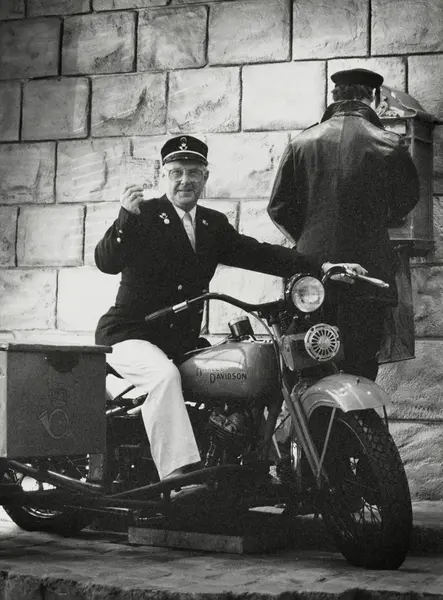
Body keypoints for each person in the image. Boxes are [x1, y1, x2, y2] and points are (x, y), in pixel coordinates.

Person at [95, 134, 366, 483]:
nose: (185, 180)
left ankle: (243, 464)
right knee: (164, 377)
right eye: (176, 172)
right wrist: (124, 219)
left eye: (194, 172)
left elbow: (260, 254)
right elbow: (106, 262)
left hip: (180, 344)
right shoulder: (142, 215)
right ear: (162, 176)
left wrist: (322, 266)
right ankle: (179, 475)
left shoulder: (211, 224)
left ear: (205, 177)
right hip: (130, 334)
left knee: (243, 376)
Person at [268, 68, 420, 381]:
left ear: (334, 97)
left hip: (310, 275)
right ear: (373, 97)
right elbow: (405, 202)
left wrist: (310, 238)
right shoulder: (390, 143)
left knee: (310, 360)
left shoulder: (300, 142)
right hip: (369, 273)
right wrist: (375, 223)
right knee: (361, 364)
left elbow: (279, 207)